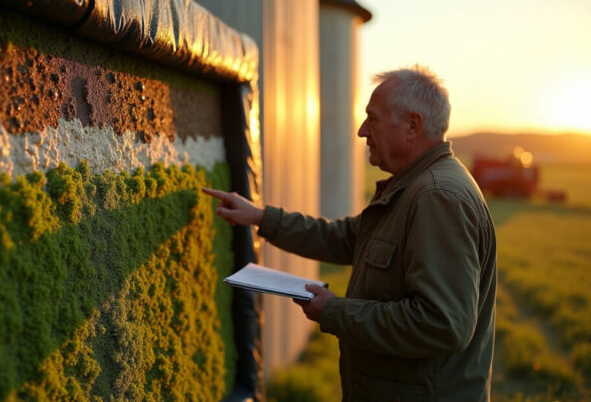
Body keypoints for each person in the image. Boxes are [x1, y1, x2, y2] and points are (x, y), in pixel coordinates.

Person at [203, 66, 497, 402]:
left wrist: (334, 312)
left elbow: (441, 324)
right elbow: (342, 238)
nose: (361, 131)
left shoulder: (436, 197)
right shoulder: (413, 187)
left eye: (372, 118)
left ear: (412, 126)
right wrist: (260, 216)